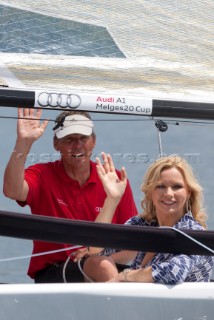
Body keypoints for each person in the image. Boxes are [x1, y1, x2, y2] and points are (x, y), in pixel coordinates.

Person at [3, 108, 138, 283]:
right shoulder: (42, 174)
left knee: (145, 274)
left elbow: (134, 245)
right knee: (102, 266)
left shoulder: (115, 179)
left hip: (105, 266)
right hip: (54, 272)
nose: (77, 145)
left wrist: (101, 256)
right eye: (69, 139)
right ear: (56, 144)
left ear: (94, 141)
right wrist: (23, 142)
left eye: (83, 138)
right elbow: (12, 190)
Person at [83, 153, 214, 284]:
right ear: (151, 193)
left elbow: (173, 272)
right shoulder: (143, 225)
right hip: (144, 302)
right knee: (95, 262)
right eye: (161, 186)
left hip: (181, 304)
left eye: (177, 187)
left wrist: (125, 275)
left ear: (188, 193)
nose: (168, 194)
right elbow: (97, 251)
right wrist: (112, 200)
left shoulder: (192, 233)